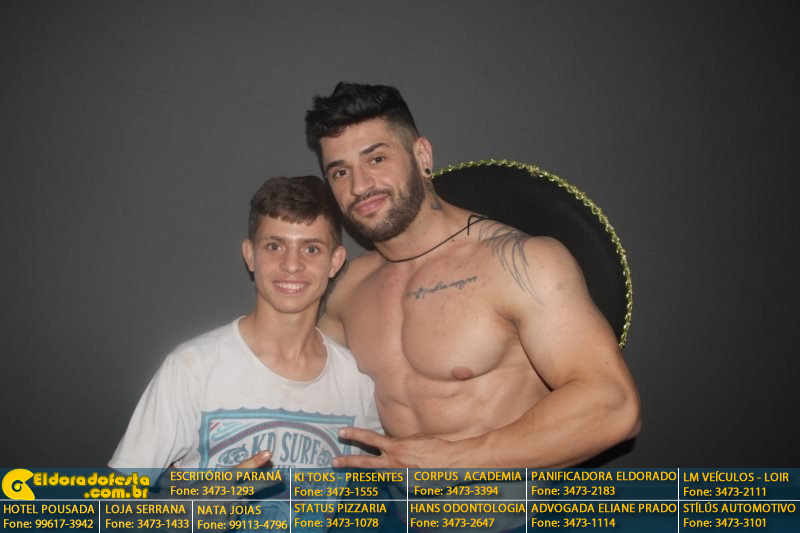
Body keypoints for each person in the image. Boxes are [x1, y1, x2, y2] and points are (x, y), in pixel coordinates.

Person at [305, 82, 641, 469]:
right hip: (397, 503)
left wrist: (453, 460)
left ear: (422, 154)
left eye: (376, 159)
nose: (359, 186)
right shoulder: (348, 288)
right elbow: (303, 391)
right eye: (340, 172)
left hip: (509, 503)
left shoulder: (520, 263)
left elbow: (613, 405)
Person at [109, 175, 380, 475]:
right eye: (275, 246)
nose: (292, 265)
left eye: (311, 249)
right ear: (250, 256)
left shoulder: (358, 381)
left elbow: (397, 482)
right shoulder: (192, 369)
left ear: (335, 261)